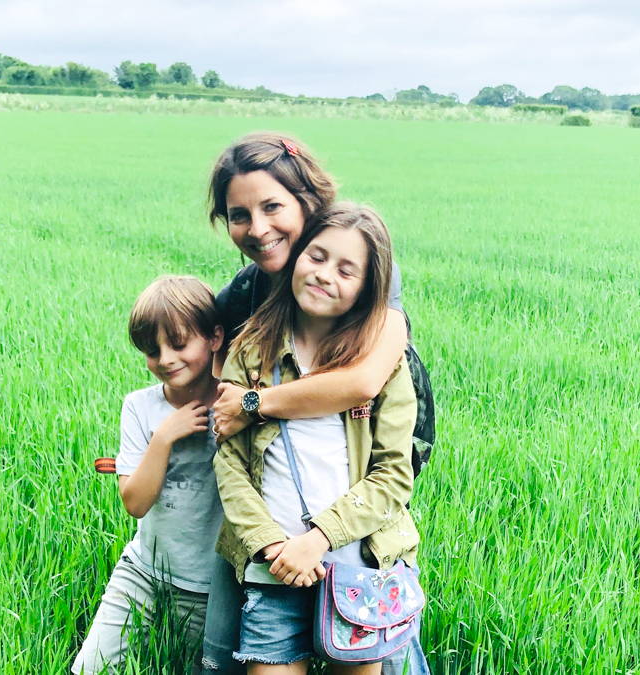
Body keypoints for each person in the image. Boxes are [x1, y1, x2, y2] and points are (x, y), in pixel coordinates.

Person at [199, 133, 433, 674]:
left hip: (357, 518)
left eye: (273, 206)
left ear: (308, 201)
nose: (257, 228)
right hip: (271, 544)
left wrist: (253, 402)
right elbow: (225, 442)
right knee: (230, 646)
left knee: (383, 648)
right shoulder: (247, 309)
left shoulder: (366, 266)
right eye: (239, 214)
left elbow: (364, 385)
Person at [72, 276, 226, 674]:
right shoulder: (140, 407)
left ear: (214, 337)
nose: (165, 359)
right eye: (152, 350)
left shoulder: (234, 405)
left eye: (178, 344)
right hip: (142, 571)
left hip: (208, 589)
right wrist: (163, 439)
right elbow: (135, 503)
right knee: (90, 668)